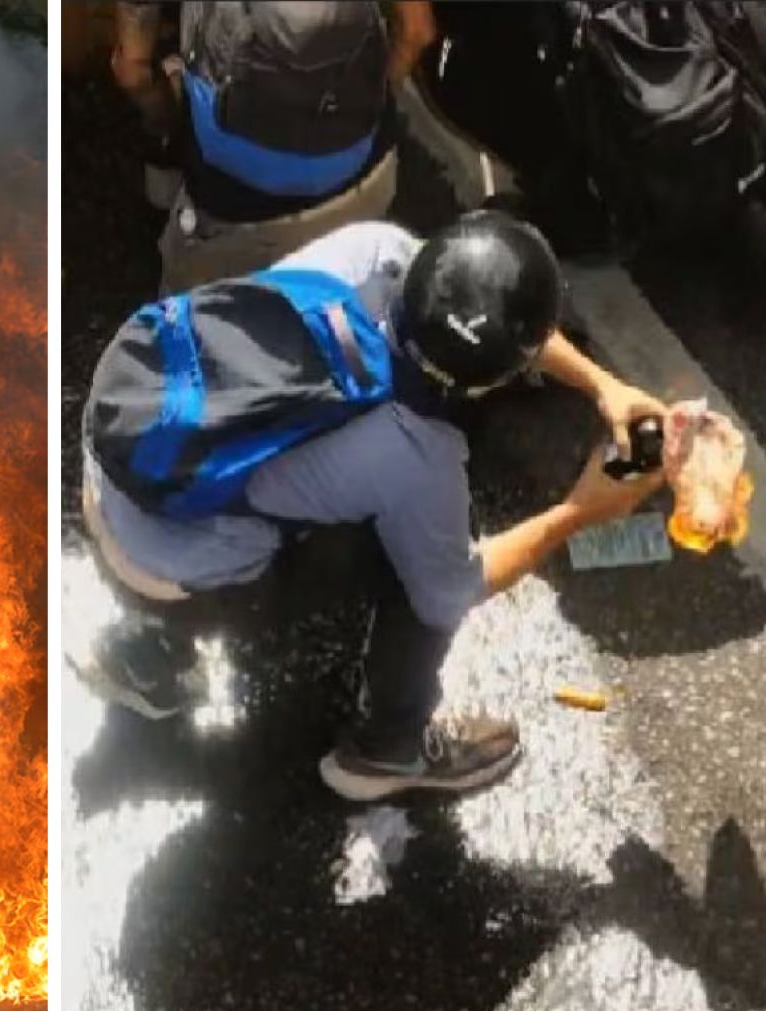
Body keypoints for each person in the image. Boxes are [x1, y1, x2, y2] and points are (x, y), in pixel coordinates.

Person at [77, 211, 668, 801]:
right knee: (423, 572)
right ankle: (388, 751)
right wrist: (581, 510)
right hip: (175, 575)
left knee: (247, 484)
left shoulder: (373, 252)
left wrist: (604, 386)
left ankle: (145, 657)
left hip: (117, 458)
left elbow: (467, 317)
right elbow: (451, 591)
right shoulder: (417, 456)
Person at [112, 1, 438, 294]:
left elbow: (134, 73)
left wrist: (168, 122)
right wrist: (372, 103)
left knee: (196, 318)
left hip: (240, 213)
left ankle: (161, 201)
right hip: (365, 180)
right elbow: (417, 32)